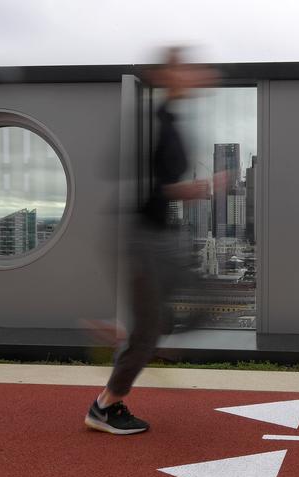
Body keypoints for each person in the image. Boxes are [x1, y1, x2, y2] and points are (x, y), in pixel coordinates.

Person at [84, 47, 220, 435]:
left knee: (199, 304)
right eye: (188, 69)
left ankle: (135, 333)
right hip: (140, 236)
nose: (197, 75)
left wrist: (186, 189)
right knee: (151, 329)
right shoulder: (154, 121)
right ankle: (105, 406)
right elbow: (135, 181)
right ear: (167, 75)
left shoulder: (172, 120)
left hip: (160, 236)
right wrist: (187, 188)